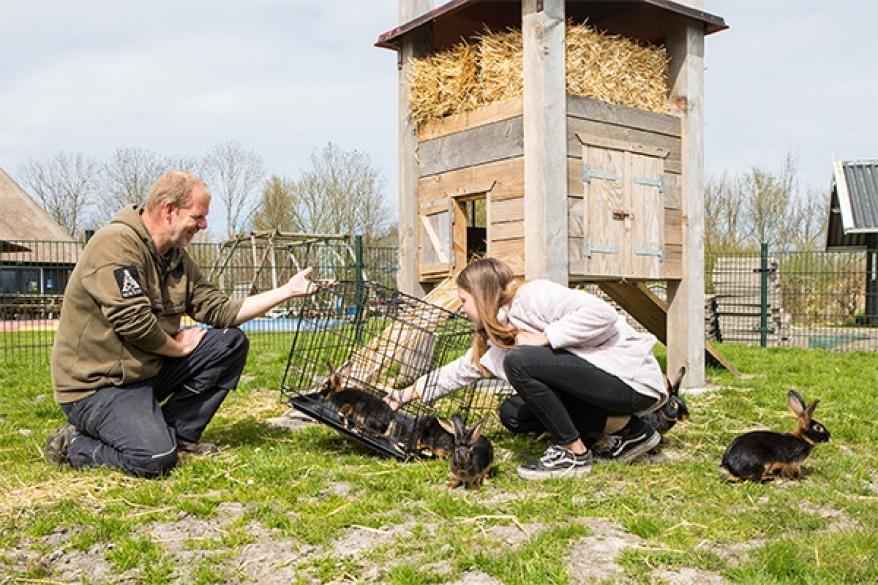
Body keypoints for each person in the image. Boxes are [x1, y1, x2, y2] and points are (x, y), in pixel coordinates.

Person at [44, 171, 327, 478]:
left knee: (229, 343)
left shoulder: (175, 257)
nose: (204, 225)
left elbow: (221, 311)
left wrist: (287, 291)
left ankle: (179, 436)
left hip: (145, 371)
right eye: (198, 216)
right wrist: (176, 348)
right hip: (100, 385)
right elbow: (134, 323)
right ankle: (74, 444)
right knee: (153, 459)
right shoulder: (115, 245)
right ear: (169, 209)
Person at [386, 257, 668, 481]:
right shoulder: (502, 324)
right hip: (603, 384)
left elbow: (603, 314)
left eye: (464, 300)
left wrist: (546, 337)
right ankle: (632, 431)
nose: (461, 309)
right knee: (513, 414)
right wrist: (407, 393)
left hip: (630, 380)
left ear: (481, 295)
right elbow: (465, 369)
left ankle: (573, 453)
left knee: (519, 361)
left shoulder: (534, 295)